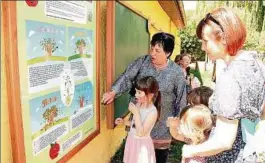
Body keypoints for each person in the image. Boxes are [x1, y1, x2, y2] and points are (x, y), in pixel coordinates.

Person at [179, 8, 265, 162]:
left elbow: (224, 141)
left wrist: (191, 150)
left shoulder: (231, 76)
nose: (203, 48)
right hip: (249, 154)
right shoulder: (256, 65)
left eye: (205, 41)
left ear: (224, 38)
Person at [102, 32, 187, 163]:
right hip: (139, 119)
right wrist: (113, 91)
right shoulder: (142, 62)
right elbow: (127, 77)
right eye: (152, 48)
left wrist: (179, 123)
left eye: (157, 50)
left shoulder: (176, 73)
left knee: (158, 158)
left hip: (162, 125)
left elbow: (181, 98)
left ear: (168, 53)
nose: (152, 53)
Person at [115, 76, 161, 163]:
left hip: (141, 145)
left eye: (139, 92)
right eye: (136, 92)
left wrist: (136, 113)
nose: (136, 95)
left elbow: (141, 133)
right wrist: (124, 122)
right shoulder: (138, 105)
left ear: (150, 95)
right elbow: (135, 124)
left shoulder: (152, 112)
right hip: (132, 141)